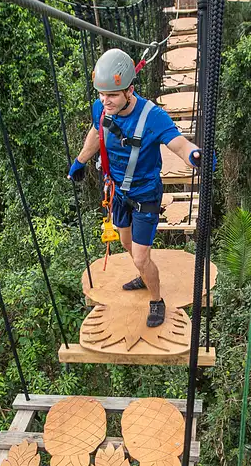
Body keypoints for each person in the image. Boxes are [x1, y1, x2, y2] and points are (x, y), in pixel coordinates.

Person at [68, 48, 203, 328]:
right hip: (118, 193)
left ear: (130, 90)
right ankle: (144, 274)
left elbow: (177, 143)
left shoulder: (152, 117)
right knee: (125, 243)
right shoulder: (101, 108)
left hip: (145, 196)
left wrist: (194, 156)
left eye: (113, 95)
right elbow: (96, 133)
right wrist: (80, 161)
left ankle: (156, 299)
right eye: (102, 94)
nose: (106, 101)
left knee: (141, 256)